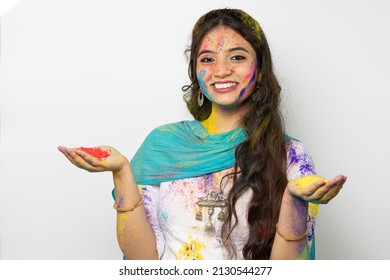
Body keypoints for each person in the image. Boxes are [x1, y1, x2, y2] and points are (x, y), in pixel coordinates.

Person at [58, 8, 347, 260]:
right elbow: (141, 260)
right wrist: (122, 172)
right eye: (207, 59)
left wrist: (294, 202)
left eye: (236, 57)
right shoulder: (164, 146)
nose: (221, 70)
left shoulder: (291, 156)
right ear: (195, 70)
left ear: (259, 70)